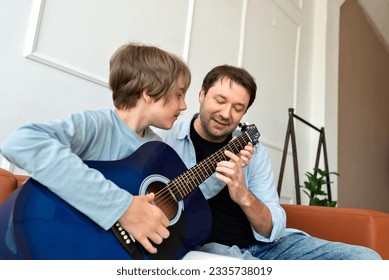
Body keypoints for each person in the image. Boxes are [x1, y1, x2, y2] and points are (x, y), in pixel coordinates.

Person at [156, 64, 382, 260]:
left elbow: (273, 224)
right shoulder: (165, 140)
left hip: (266, 247)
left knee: (366, 258)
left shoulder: (252, 149)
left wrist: (243, 195)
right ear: (202, 94)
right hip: (210, 249)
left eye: (238, 108)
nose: (226, 114)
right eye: (220, 100)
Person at [0, 42, 192, 256]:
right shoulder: (97, 125)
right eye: (179, 95)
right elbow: (21, 142)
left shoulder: (157, 148)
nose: (183, 106)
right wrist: (122, 207)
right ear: (149, 93)